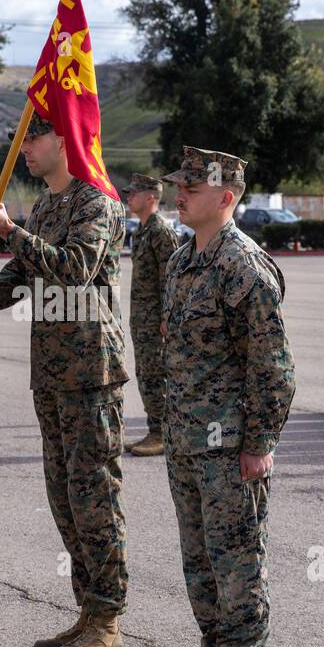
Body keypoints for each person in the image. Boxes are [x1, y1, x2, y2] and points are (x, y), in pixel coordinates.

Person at [0, 111, 130, 647]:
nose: (23, 148)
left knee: (94, 495)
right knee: (64, 496)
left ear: (65, 138)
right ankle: (86, 609)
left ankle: (108, 621)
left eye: (33, 136)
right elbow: (25, 275)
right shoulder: (48, 205)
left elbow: (75, 269)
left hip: (90, 373)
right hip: (51, 372)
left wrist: (11, 232)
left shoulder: (97, 202)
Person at [149, 147, 294, 647]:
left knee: (237, 563)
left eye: (190, 187)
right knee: (199, 561)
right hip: (187, 442)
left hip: (230, 447)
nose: (177, 195)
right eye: (177, 186)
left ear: (226, 197)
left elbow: (274, 368)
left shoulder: (243, 266)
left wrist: (259, 444)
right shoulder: (184, 257)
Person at [123, 173, 180, 457]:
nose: (128, 198)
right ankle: (154, 429)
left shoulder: (160, 231)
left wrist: (168, 317)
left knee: (156, 375)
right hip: (142, 319)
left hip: (157, 320)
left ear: (150, 198)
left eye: (133, 193)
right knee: (146, 374)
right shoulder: (141, 231)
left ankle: (162, 434)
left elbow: (172, 278)